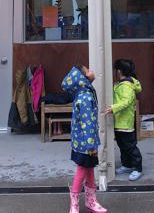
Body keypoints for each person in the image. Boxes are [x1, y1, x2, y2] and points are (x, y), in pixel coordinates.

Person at [61, 65, 107, 213]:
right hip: (86, 143)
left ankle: (91, 201)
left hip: (82, 142)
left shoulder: (82, 94)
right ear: (83, 79)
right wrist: (91, 146)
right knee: (82, 169)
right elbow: (87, 123)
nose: (92, 71)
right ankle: (74, 204)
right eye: (88, 70)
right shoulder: (86, 96)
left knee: (89, 169)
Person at [104, 59, 143, 181]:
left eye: (116, 70)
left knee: (130, 146)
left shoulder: (126, 86)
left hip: (125, 123)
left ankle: (137, 168)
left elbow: (126, 101)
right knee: (122, 145)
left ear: (119, 71)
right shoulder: (121, 84)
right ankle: (127, 165)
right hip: (120, 121)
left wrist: (113, 108)